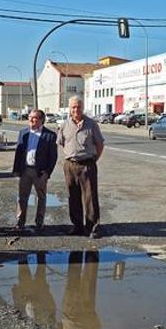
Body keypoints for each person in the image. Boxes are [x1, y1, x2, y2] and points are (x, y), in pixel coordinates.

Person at [57, 96, 105, 238]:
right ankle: (77, 226)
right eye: (73, 107)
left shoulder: (91, 124)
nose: (76, 110)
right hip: (70, 165)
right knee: (73, 196)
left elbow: (100, 145)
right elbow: (61, 142)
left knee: (90, 197)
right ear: (69, 109)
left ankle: (92, 227)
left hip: (87, 164)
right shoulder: (65, 125)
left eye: (78, 107)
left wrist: (94, 159)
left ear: (82, 108)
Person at [12, 109, 58, 232]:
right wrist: (16, 170)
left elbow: (53, 157)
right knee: (22, 197)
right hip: (25, 170)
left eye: (35, 118)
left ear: (42, 120)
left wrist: (47, 172)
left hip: (40, 172)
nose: (31, 120)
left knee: (41, 197)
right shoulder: (23, 133)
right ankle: (20, 222)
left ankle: (39, 222)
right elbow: (19, 152)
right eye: (30, 117)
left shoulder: (50, 135)